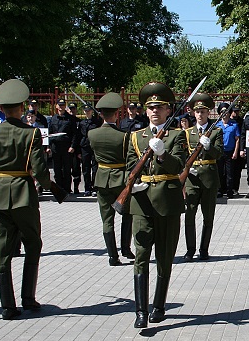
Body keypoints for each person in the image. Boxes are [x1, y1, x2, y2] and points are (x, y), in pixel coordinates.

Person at [0, 79, 53, 319]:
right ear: (22, 107)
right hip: (24, 194)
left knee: (1, 251)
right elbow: (40, 170)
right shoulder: (31, 133)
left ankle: (7, 306)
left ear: (1, 108)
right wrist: (49, 186)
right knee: (32, 244)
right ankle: (28, 298)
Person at [127, 82, 186, 328]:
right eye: (151, 107)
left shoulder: (177, 135)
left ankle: (159, 306)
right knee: (141, 255)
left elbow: (179, 166)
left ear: (168, 110)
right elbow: (129, 167)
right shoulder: (135, 136)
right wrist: (132, 184)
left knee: (164, 255)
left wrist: (162, 154)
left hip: (167, 202)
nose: (154, 111)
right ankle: (140, 311)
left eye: (159, 107)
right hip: (141, 203)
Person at [88, 92, 135, 266]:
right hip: (120, 179)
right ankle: (126, 248)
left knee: (107, 220)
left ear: (101, 114)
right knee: (127, 214)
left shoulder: (92, 134)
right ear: (116, 114)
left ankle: (112, 256)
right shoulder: (124, 136)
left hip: (102, 179)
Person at [183, 93, 223, 261]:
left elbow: (219, 154)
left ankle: (204, 249)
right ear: (194, 113)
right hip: (192, 179)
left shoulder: (216, 131)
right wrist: (186, 169)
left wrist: (209, 147)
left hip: (209, 178)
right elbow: (182, 156)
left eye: (203, 112)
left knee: (208, 216)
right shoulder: (187, 133)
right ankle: (190, 249)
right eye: (197, 112)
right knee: (189, 215)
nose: (200, 114)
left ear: (208, 113)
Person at [47, 99, 78, 193]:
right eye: (59, 105)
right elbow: (49, 133)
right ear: (56, 106)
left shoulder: (70, 119)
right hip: (55, 147)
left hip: (66, 147)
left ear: (65, 106)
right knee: (57, 169)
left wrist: (73, 146)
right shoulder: (53, 119)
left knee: (66, 169)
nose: (61, 107)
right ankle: (59, 189)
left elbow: (74, 134)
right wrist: (48, 146)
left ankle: (67, 189)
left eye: (63, 105)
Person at [215, 102, 240, 198]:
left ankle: (229, 191)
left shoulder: (234, 125)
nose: (224, 114)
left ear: (229, 113)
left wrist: (235, 152)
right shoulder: (217, 125)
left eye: (226, 112)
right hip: (219, 152)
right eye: (222, 112)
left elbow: (237, 139)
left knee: (230, 173)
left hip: (230, 151)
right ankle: (219, 190)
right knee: (219, 172)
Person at [78, 104, 103, 196]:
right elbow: (78, 136)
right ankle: (87, 188)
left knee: (95, 168)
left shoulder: (97, 122)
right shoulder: (82, 123)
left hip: (94, 147)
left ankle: (95, 188)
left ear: (92, 111)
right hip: (85, 147)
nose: (87, 112)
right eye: (85, 111)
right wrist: (78, 151)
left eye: (89, 110)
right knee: (86, 169)